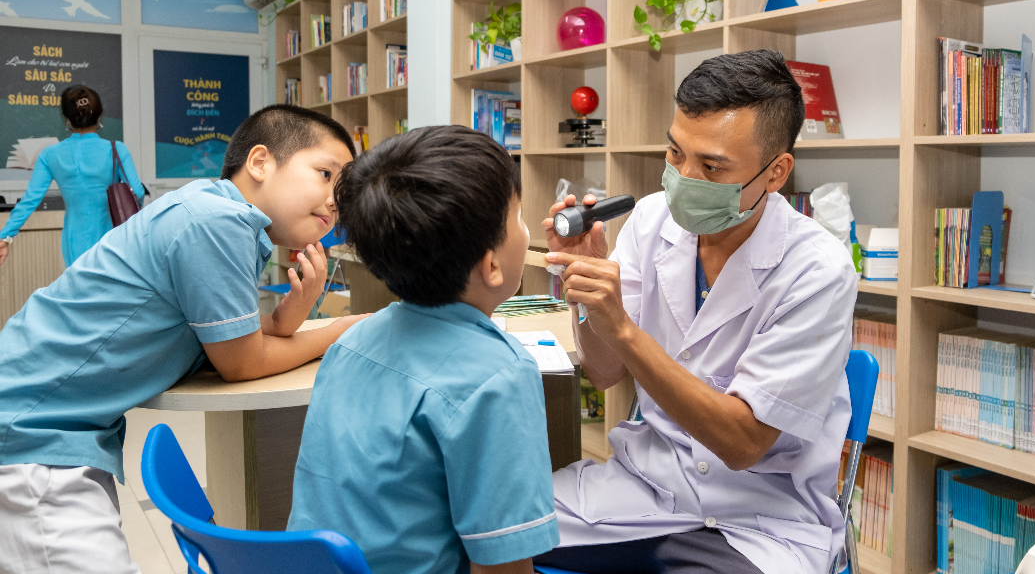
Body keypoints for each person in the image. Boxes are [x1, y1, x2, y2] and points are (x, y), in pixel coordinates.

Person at [0, 105, 367, 574]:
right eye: (325, 174)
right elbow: (242, 362)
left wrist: (291, 313)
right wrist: (342, 329)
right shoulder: (216, 222)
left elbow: (228, 336)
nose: (335, 200)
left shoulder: (213, 209)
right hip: (33, 436)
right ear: (260, 162)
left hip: (47, 424)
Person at [534, 50, 858, 574]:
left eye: (711, 166)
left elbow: (742, 444)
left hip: (758, 516)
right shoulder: (650, 220)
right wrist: (587, 290)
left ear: (775, 172)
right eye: (675, 153)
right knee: (491, 527)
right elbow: (605, 370)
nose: (683, 177)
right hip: (644, 486)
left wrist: (625, 329)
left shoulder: (818, 271)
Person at [288, 126, 559, 574]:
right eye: (519, 218)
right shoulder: (499, 376)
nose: (528, 232)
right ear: (491, 264)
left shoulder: (351, 342)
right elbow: (503, 567)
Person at [0, 85, 146, 268]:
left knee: (79, 284)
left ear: (66, 118)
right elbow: (138, 192)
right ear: (99, 115)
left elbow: (30, 200)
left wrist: (5, 236)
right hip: (113, 239)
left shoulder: (49, 155)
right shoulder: (116, 149)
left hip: (73, 242)